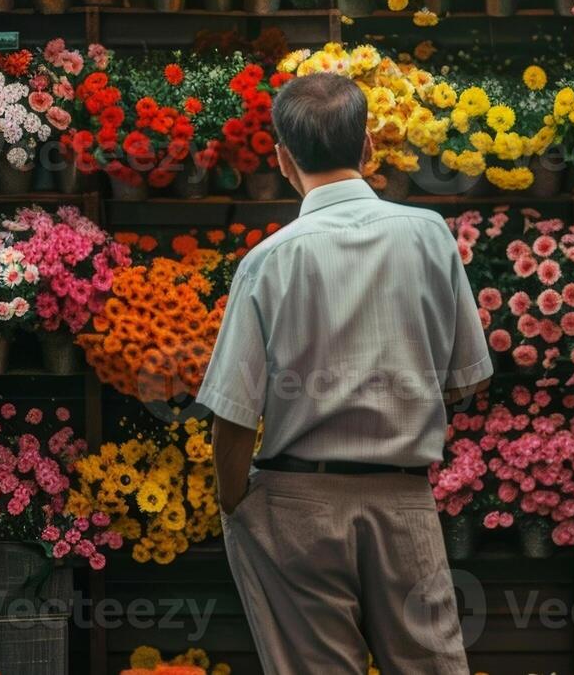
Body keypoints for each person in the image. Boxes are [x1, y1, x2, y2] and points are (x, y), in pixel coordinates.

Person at [196, 71, 492, 674]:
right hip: (403, 496)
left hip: (295, 505)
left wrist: (236, 507)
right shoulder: (431, 236)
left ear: (282, 159)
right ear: (368, 148)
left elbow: (231, 414)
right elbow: (469, 380)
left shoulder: (268, 261)